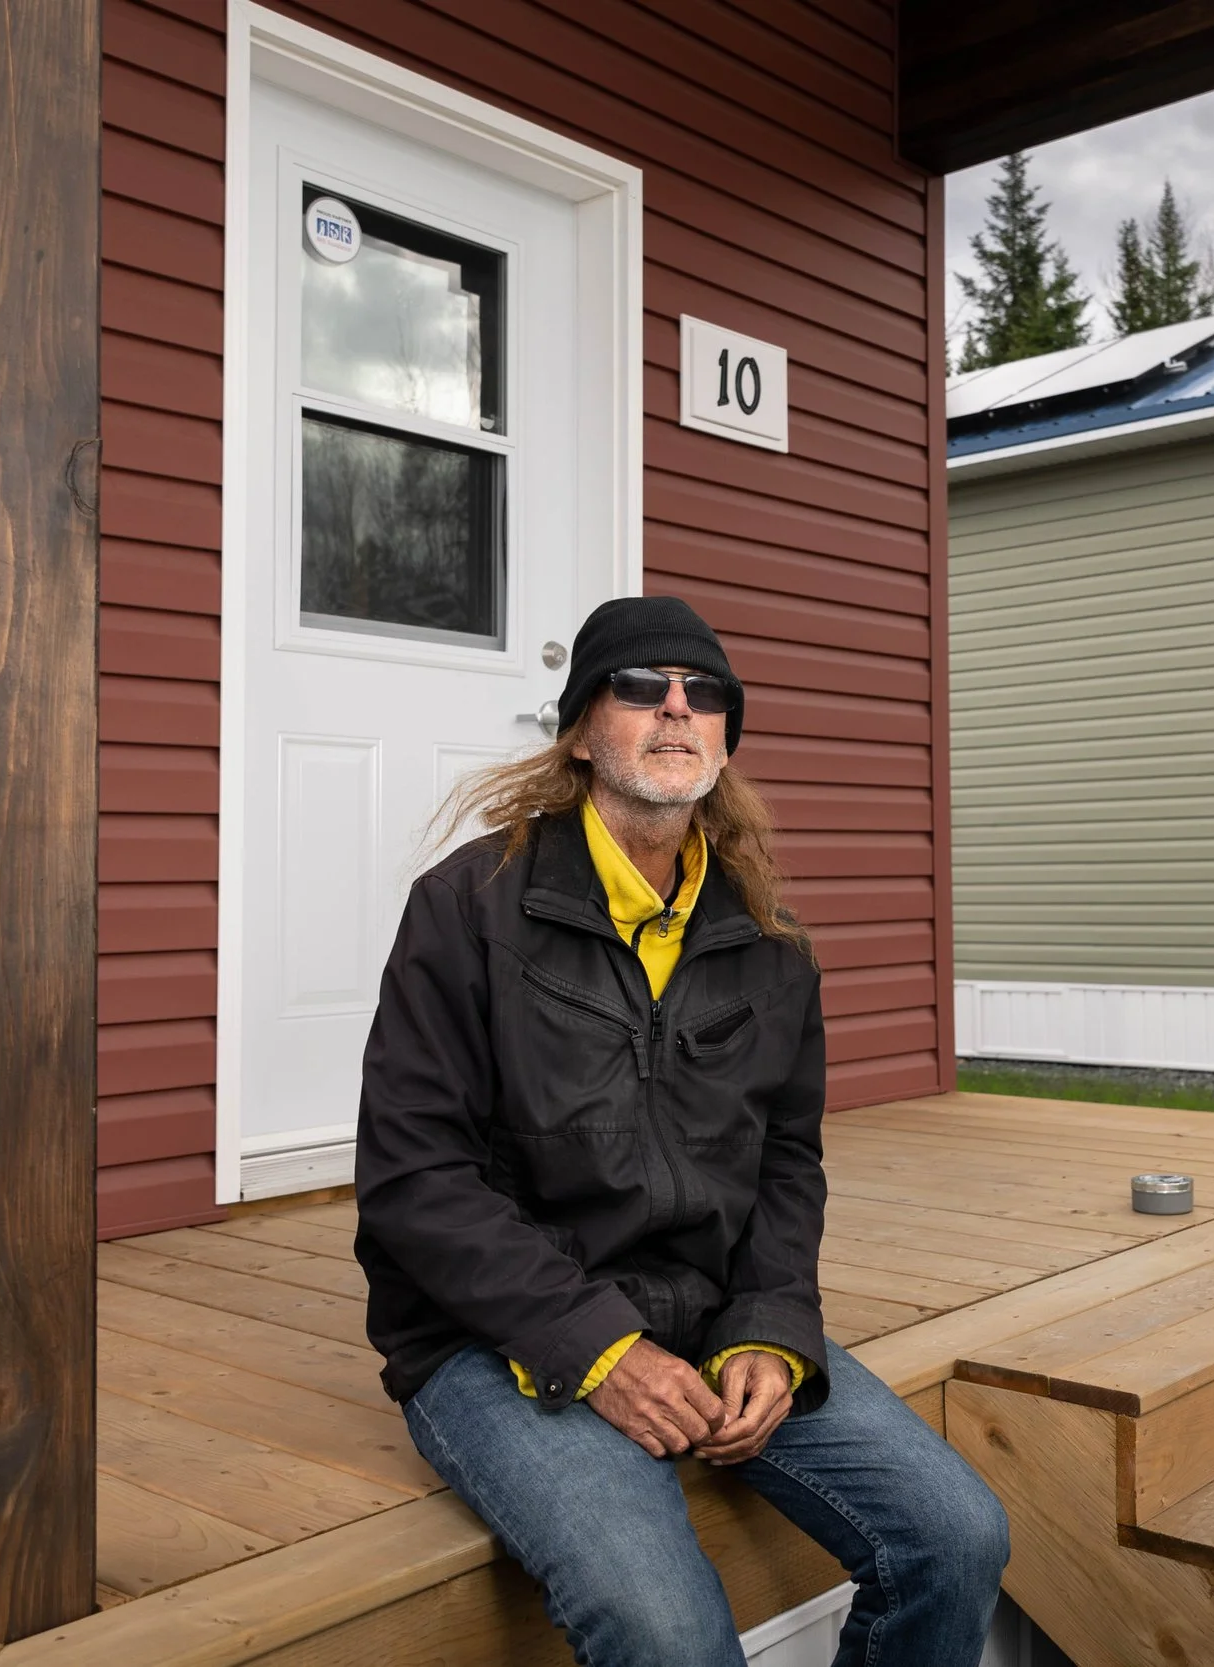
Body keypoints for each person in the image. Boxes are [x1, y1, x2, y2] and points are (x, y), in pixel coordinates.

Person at [354, 596, 1008, 1666]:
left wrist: (768, 1327)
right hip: (498, 1339)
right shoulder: (468, 907)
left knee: (958, 1535)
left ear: (724, 737)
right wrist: (597, 1348)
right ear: (578, 731)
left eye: (705, 693)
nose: (677, 707)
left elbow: (786, 1160)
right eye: (641, 685)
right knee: (667, 1632)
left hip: (709, 1312)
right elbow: (415, 1175)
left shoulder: (769, 939)